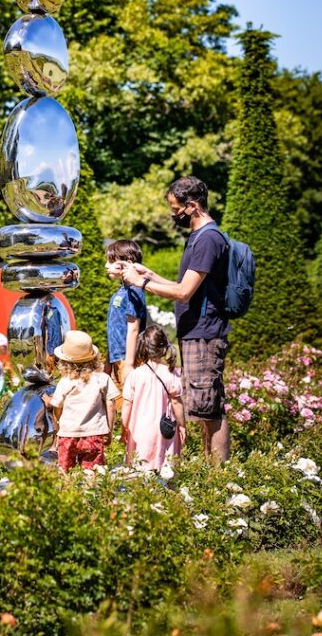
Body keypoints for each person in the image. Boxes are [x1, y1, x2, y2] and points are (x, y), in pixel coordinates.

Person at [122, 175, 230, 462]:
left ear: (192, 206)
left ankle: (219, 474)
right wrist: (150, 275)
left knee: (210, 407)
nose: (174, 215)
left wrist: (140, 284)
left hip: (205, 332)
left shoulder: (208, 239)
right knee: (202, 406)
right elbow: (185, 285)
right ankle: (209, 469)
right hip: (195, 331)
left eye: (175, 209)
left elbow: (184, 292)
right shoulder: (197, 238)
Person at [42, 330, 118, 472]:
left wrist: (57, 421)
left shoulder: (65, 382)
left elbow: (57, 406)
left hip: (68, 434)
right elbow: (111, 403)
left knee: (65, 471)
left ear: (65, 361)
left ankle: (68, 492)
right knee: (92, 472)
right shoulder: (103, 379)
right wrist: (109, 429)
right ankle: (89, 492)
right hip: (94, 433)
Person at [120, 324, 185, 469]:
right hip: (165, 430)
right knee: (165, 471)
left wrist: (124, 427)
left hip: (139, 431)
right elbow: (177, 403)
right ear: (163, 348)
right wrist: (182, 426)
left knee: (138, 471)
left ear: (143, 347)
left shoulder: (135, 375)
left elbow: (126, 405)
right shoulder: (171, 373)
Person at [104, 239, 148, 408]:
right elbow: (113, 330)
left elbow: (133, 328)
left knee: (130, 406)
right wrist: (108, 363)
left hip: (128, 359)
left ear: (127, 263)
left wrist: (129, 364)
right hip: (117, 358)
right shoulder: (121, 292)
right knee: (117, 406)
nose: (106, 266)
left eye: (111, 261)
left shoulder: (134, 291)